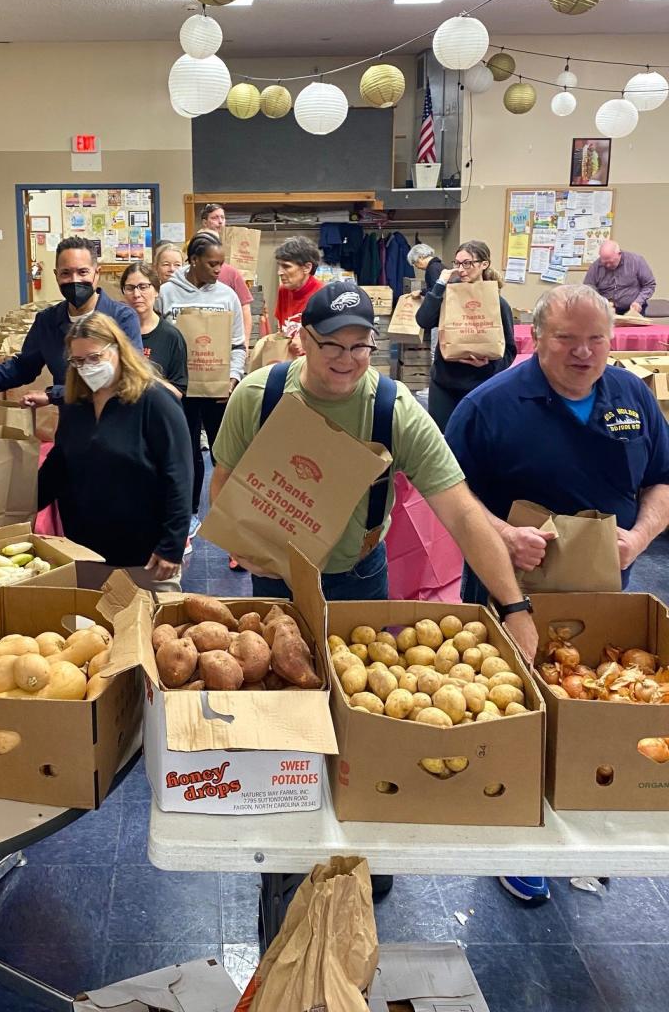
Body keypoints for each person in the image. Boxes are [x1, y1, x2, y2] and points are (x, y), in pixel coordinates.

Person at [446, 282, 669, 906]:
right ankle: (515, 839)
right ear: (536, 340)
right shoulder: (490, 406)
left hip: (603, 594)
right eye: (566, 339)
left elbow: (662, 480)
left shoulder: (630, 394)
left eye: (596, 339)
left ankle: (586, 820)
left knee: (593, 702)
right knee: (515, 711)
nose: (583, 353)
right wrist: (502, 536)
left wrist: (641, 536)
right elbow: (449, 498)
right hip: (508, 589)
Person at [209, 281, 539, 659]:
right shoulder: (258, 396)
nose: (347, 359)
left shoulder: (393, 410)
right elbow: (223, 482)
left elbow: (462, 513)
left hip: (357, 577)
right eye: (332, 344)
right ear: (304, 337)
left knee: (360, 696)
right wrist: (240, 545)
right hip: (274, 576)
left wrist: (514, 607)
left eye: (360, 346)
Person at [36, 313, 192, 582]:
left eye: (95, 358)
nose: (87, 367)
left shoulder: (155, 400)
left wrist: (171, 545)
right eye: (79, 361)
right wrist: (11, 507)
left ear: (118, 349)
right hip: (86, 549)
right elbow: (60, 464)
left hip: (144, 554)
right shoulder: (76, 405)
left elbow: (179, 475)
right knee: (89, 622)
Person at [0, 236, 142, 406]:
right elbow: (23, 367)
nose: (74, 280)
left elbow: (127, 379)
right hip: (71, 429)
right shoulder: (48, 321)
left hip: (118, 425)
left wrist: (53, 395)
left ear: (96, 273)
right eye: (66, 273)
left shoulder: (122, 318)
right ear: (56, 275)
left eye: (82, 272)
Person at [160, 233, 247, 539]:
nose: (218, 270)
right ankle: (190, 514)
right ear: (193, 260)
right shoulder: (167, 293)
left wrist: (233, 378)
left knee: (223, 454)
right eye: (212, 263)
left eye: (221, 264)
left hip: (218, 391)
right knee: (187, 453)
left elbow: (238, 344)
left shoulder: (227, 296)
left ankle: (229, 519)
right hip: (180, 391)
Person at [415, 239, 516, 431]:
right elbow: (423, 320)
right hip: (444, 384)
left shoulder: (498, 304)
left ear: (484, 264)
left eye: (467, 263)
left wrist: (489, 366)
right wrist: (440, 284)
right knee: (444, 443)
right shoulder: (447, 298)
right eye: (457, 263)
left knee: (475, 443)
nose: (461, 269)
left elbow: (510, 351)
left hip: (480, 386)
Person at [120, 262, 188, 397]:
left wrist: (144, 376)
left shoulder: (171, 336)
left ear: (157, 290)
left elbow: (179, 391)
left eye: (143, 287)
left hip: (155, 412)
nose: (136, 294)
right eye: (130, 288)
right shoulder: (114, 332)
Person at [199, 203, 254, 348]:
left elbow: (245, 307)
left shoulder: (230, 272)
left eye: (222, 217)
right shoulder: (192, 252)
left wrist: (245, 343)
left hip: (226, 338)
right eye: (215, 218)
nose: (220, 221)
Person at [584, 240, 655, 315]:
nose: (608, 265)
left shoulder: (636, 261)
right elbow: (588, 289)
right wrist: (599, 303)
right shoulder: (595, 266)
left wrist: (638, 301)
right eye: (605, 263)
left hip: (634, 310)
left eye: (611, 262)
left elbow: (649, 285)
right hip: (606, 311)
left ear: (619, 254)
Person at [274, 236, 324, 330]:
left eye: (286, 266)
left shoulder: (322, 296)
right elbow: (282, 328)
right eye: (279, 266)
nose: (279, 272)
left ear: (307, 268)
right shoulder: (283, 290)